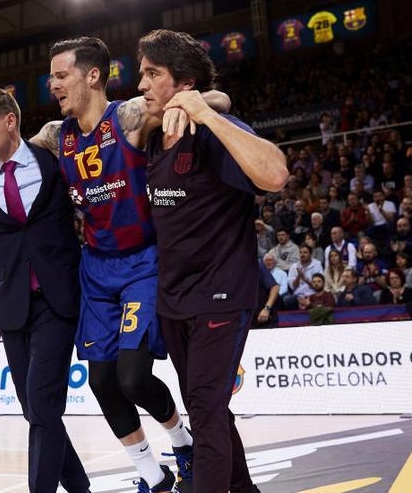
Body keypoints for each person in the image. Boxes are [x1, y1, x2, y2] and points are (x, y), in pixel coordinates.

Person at [21, 35, 234, 491]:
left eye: (60, 75)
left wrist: (189, 106)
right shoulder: (57, 137)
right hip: (95, 269)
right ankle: (152, 476)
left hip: (142, 263)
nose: (52, 84)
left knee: (133, 378)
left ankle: (184, 444)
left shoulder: (131, 116)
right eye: (51, 77)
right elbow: (13, 150)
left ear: (92, 75)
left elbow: (220, 97)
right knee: (102, 383)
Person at [141, 29, 287, 493]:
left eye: (152, 74)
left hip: (221, 295)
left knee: (204, 412)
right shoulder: (150, 133)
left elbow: (276, 174)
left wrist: (210, 111)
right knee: (209, 409)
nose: (141, 83)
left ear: (182, 83)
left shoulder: (212, 132)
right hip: (175, 300)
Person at [0, 88, 90, 493]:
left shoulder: (52, 159)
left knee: (43, 403)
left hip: (58, 299)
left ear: (9, 121)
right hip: (12, 308)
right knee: (35, 410)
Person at [284, 244, 324, 310]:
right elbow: (292, 287)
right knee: (287, 300)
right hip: (298, 296)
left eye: (305, 252)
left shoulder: (317, 264)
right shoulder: (294, 266)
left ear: (310, 254)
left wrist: (305, 279)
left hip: (313, 294)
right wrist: (299, 276)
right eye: (300, 252)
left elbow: (319, 286)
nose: (302, 254)